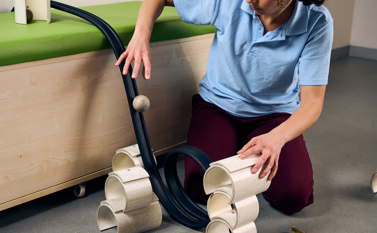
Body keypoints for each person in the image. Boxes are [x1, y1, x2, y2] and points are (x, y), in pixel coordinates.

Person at [115, 0, 333, 215]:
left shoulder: (316, 21)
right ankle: (234, 145)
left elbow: (312, 102)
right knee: (200, 186)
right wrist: (141, 35)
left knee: (293, 196)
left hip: (273, 115)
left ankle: (241, 147)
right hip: (217, 106)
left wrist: (278, 137)